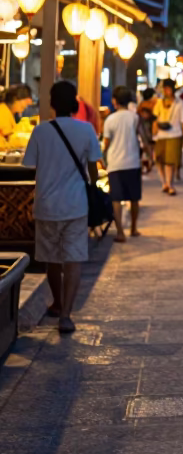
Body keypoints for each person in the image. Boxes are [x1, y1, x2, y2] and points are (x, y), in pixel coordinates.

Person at [22, 79, 102, 334]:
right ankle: (66, 315)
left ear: (52, 104)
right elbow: (94, 170)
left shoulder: (40, 131)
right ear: (75, 103)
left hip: (46, 204)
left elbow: (30, 166)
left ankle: (56, 302)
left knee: (51, 260)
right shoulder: (87, 130)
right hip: (76, 205)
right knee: (74, 259)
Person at [102, 86, 148, 241]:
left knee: (116, 199)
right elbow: (142, 137)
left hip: (115, 163)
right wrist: (149, 155)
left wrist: (101, 157)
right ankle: (134, 228)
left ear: (114, 101)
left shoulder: (110, 119)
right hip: (133, 162)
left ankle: (120, 232)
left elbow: (106, 143)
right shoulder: (134, 117)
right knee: (134, 198)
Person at [152, 78, 183, 195]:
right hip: (160, 135)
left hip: (175, 134)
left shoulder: (180, 103)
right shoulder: (159, 102)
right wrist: (153, 133)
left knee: (170, 161)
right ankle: (164, 183)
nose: (166, 91)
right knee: (159, 160)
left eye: (168, 89)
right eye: (165, 89)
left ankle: (170, 184)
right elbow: (155, 119)